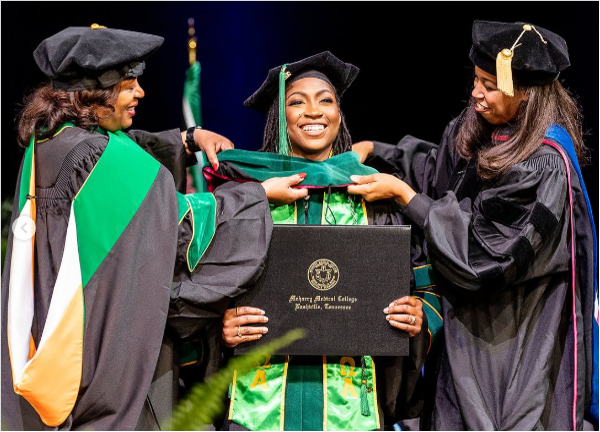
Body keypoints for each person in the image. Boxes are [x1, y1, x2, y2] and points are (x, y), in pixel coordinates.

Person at [1, 25, 304, 431]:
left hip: (56, 342)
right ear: (96, 92)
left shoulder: (48, 144)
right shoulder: (102, 159)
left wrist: (187, 138)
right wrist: (257, 196)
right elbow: (176, 228)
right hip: (109, 355)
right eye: (129, 84)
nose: (140, 93)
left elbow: (124, 155)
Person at [348, 20, 598, 431]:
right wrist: (379, 151)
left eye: (489, 83)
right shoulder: (493, 133)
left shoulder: (545, 165)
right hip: (469, 333)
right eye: (476, 80)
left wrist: (405, 198)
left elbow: (483, 256)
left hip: (514, 338)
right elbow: (443, 175)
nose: (476, 93)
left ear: (526, 94)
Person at [200, 52, 442, 431]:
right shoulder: (247, 196)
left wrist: (418, 316)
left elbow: (428, 286)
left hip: (351, 410)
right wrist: (219, 326)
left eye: (325, 100)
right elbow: (198, 292)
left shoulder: (371, 195)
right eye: (297, 102)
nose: (313, 112)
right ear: (280, 120)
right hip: (256, 408)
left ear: (339, 115)